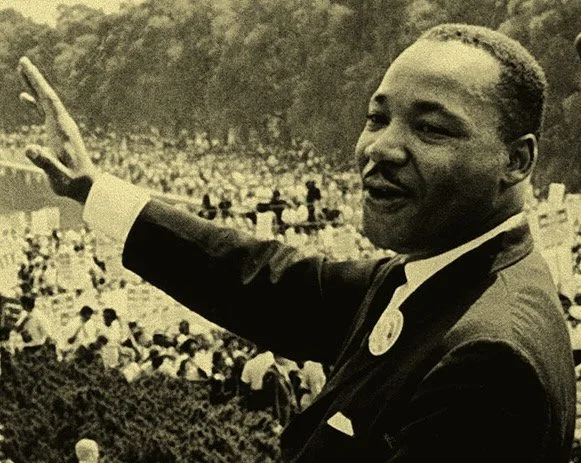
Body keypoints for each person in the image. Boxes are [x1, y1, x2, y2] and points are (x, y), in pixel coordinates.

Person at [18, 23, 576, 462]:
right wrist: (92, 190)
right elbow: (264, 281)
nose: (381, 148)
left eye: (431, 128)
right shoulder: (444, 274)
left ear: (516, 160)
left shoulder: (488, 360)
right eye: (376, 118)